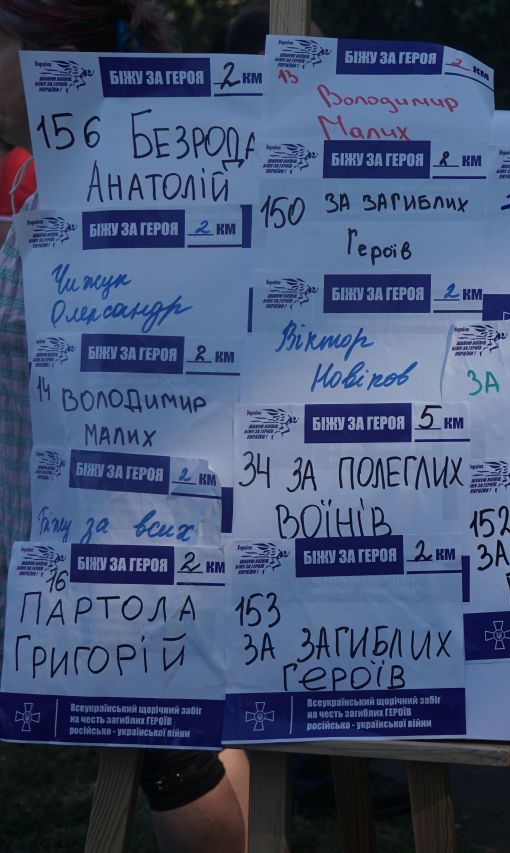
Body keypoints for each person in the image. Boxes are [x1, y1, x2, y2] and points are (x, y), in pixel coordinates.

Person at [0, 2, 249, 850]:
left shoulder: (118, 188)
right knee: (188, 739)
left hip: (119, 553)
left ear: (53, 59)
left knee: (174, 754)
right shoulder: (79, 178)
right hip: (112, 549)